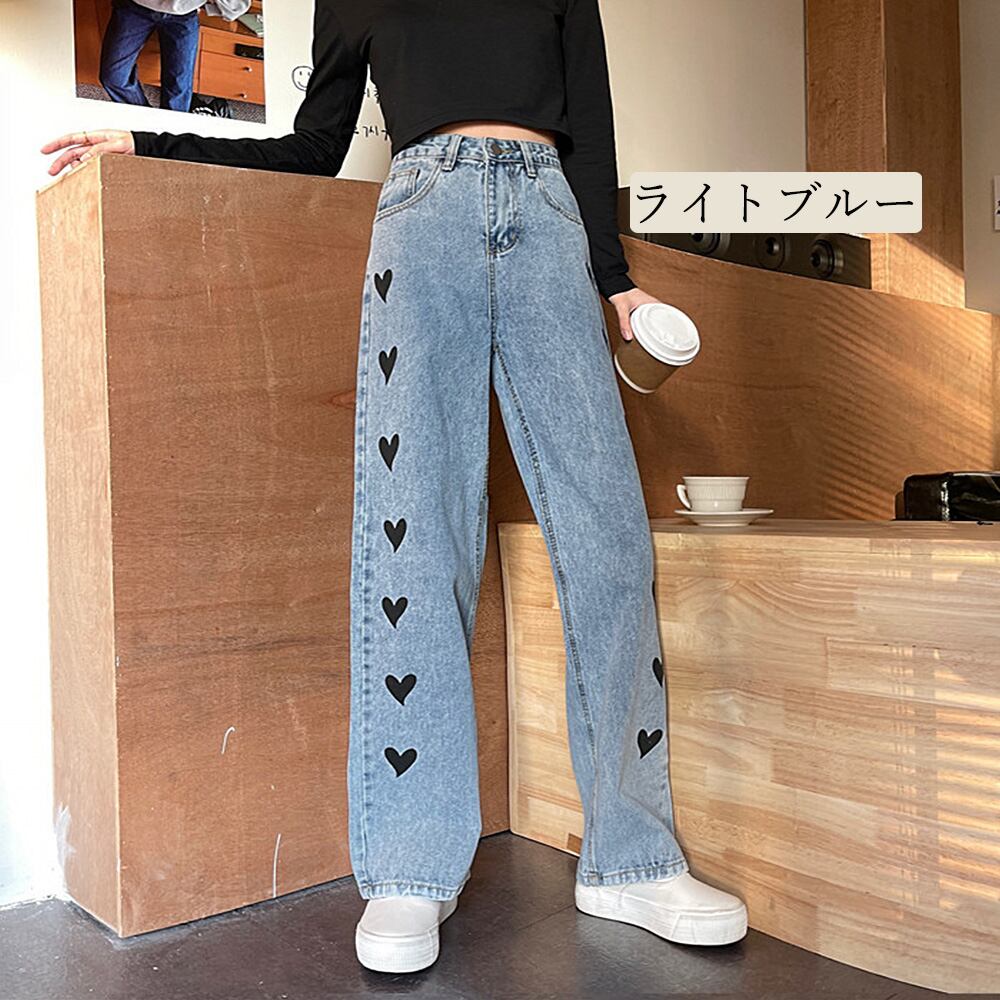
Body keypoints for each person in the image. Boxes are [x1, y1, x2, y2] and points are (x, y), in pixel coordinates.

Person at [42, 0, 748, 975]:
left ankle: (631, 859)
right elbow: (318, 145)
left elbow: (591, 121)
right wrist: (146, 138)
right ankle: (412, 865)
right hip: (423, 223)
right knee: (414, 541)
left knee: (611, 542)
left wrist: (615, 278)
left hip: (549, 220)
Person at [99, 0, 251, 112]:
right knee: (113, 77)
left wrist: (208, 7)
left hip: (183, 14)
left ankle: (171, 134)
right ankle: (146, 121)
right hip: (134, 8)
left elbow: (238, 6)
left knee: (178, 89)